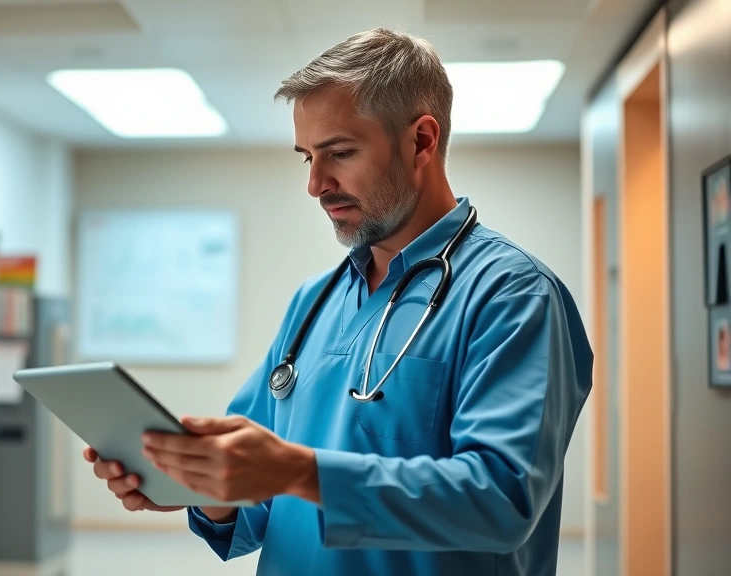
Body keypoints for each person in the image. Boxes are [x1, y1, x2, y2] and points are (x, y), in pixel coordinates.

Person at [83, 27, 593, 576]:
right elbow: (260, 503)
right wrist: (197, 486)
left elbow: (501, 501)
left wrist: (300, 473)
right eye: (307, 158)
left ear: (422, 140)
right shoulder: (314, 303)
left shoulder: (510, 295)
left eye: (340, 153)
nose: (316, 184)